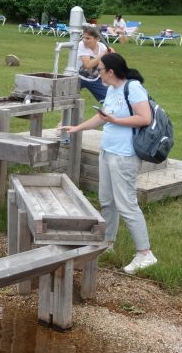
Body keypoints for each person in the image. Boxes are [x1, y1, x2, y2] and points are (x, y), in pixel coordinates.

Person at [60, 52, 158, 274]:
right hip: (108, 151)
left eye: (100, 70)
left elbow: (145, 118)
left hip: (125, 155)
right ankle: (108, 243)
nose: (97, 73)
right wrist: (77, 128)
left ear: (111, 72)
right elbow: (102, 117)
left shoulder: (132, 88)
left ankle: (145, 254)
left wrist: (116, 121)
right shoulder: (112, 89)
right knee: (107, 201)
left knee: (127, 204)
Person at [76, 24, 110, 102]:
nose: (84, 40)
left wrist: (111, 55)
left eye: (88, 38)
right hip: (78, 78)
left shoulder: (102, 47)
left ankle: (107, 114)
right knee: (69, 101)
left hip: (95, 79)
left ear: (97, 38)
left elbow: (108, 65)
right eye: (83, 37)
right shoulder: (81, 45)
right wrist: (104, 54)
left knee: (108, 101)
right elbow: (87, 65)